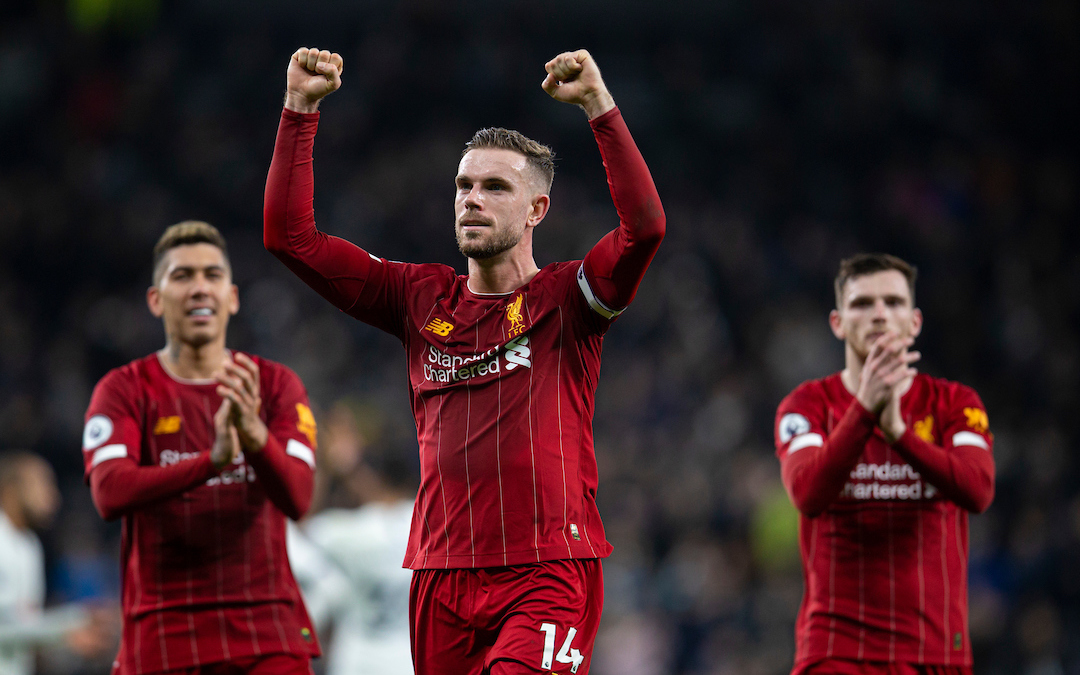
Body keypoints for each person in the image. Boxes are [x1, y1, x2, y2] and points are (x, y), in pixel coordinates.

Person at [264, 47, 665, 675]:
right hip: (440, 577)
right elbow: (289, 237)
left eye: (495, 187)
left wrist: (597, 105)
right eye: (464, 186)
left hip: (546, 571)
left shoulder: (568, 298)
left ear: (536, 210)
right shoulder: (417, 298)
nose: (472, 199)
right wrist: (300, 110)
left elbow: (644, 229)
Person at [82, 221, 321, 675]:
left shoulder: (274, 386)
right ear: (155, 300)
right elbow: (109, 494)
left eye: (212, 275)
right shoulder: (123, 390)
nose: (199, 288)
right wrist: (211, 461)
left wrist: (255, 438)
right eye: (181, 276)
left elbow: (299, 497)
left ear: (231, 297)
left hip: (266, 634)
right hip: (165, 637)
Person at [774, 253, 995, 675]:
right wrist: (864, 410)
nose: (878, 314)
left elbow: (978, 490)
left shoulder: (955, 403)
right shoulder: (807, 405)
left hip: (936, 652)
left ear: (914, 322)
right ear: (837, 322)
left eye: (892, 302)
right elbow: (807, 493)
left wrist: (898, 434)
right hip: (837, 653)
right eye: (861, 303)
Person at [288, 425, 417, 675]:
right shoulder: (433, 526)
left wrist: (341, 471)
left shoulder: (351, 532)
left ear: (373, 478)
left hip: (357, 663)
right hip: (409, 661)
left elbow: (302, 525)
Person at [0, 450, 113, 675]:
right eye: (42, 484)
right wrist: (66, 629)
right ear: (11, 490)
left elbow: (23, 623)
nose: (53, 497)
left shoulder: (28, 544)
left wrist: (79, 617)